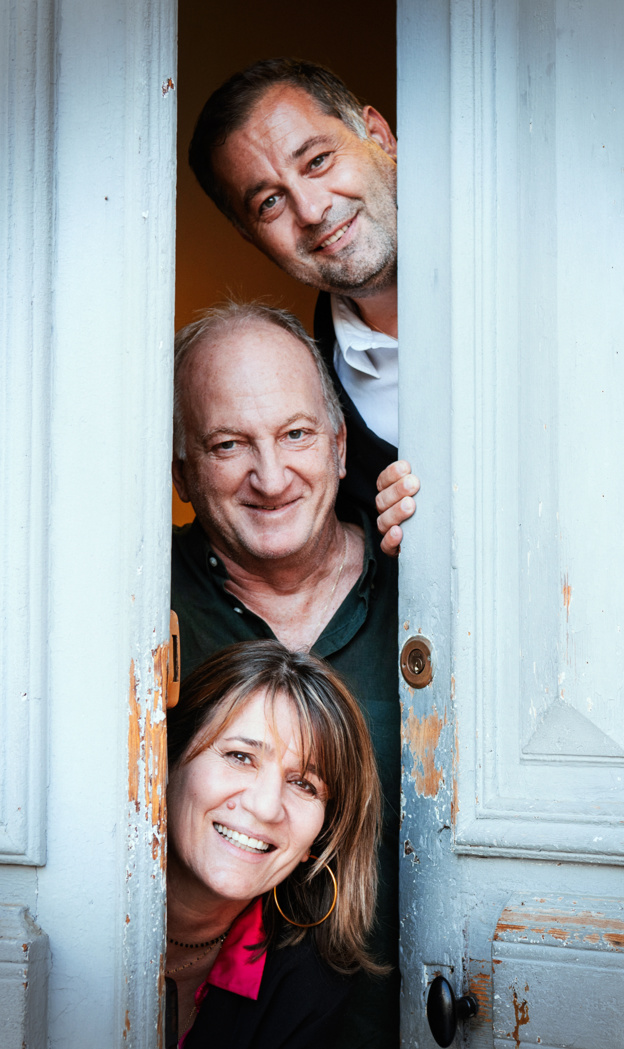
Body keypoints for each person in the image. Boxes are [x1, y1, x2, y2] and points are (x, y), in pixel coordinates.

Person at [171, 301, 399, 1047]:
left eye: (296, 434)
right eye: (229, 443)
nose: (270, 477)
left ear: (339, 446)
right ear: (182, 471)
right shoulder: (130, 599)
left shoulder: (428, 579)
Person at [188, 57, 419, 547]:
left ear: (379, 136)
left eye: (317, 161)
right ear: (250, 236)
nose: (312, 211)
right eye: (269, 202)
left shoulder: (551, 274)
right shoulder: (303, 412)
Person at [165, 640, 384, 1048]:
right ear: (168, 759)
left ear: (319, 837)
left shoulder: (308, 986)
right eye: (240, 756)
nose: (266, 808)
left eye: (303, 784)